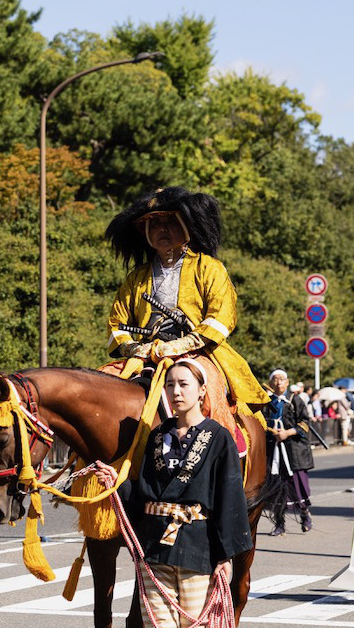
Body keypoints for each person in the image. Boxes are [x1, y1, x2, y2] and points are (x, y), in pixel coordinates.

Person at [93, 358, 252, 628]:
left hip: (198, 548)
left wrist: (226, 556)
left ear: (202, 391)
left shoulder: (218, 438)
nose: (176, 392)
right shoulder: (157, 435)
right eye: (170, 386)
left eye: (183, 384)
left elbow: (229, 496)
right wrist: (117, 483)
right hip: (154, 548)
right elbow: (142, 490)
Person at [104, 187, 269, 440]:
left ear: (187, 228)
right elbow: (117, 325)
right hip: (145, 352)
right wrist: (132, 348)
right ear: (145, 233)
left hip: (199, 350)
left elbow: (221, 317)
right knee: (100, 385)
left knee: (209, 392)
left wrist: (182, 344)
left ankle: (220, 454)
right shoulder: (136, 278)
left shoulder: (209, 268)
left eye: (169, 223)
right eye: (155, 225)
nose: (162, 230)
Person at [264, 369, 314, 535]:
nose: (279, 383)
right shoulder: (267, 402)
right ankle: (279, 523)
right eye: (275, 379)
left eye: (282, 379)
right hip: (274, 450)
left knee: (298, 486)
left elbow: (305, 423)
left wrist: (287, 433)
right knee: (277, 487)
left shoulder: (295, 400)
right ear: (271, 383)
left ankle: (305, 515)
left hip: (294, 452)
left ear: (287, 382)